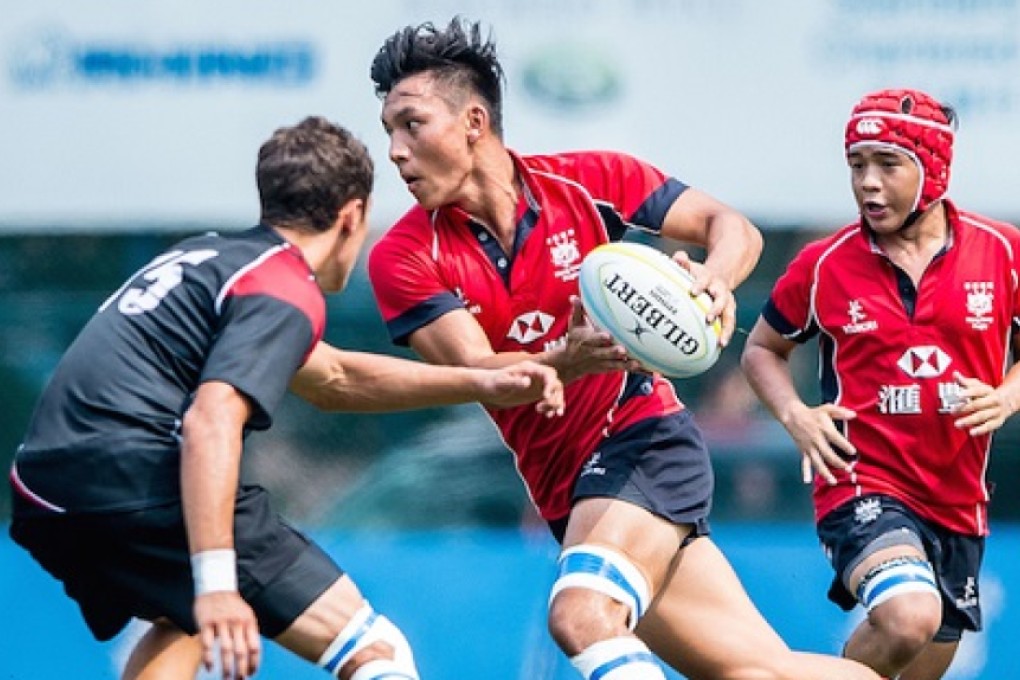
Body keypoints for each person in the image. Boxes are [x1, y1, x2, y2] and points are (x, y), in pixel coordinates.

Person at [367, 17, 883, 680]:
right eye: (388, 131)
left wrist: (714, 278)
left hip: (642, 440)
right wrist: (564, 358)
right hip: (566, 487)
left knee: (581, 615)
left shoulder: (591, 180)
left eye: (412, 125)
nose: (396, 152)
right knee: (760, 671)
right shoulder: (405, 256)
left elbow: (734, 229)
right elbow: (479, 373)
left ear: (473, 121)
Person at [8, 115, 566, 680]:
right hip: (137, 477)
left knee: (182, 620)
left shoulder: (212, 258)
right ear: (353, 216)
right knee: (376, 651)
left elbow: (335, 377)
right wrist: (219, 582)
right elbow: (213, 416)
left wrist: (483, 381)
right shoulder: (282, 286)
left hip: (46, 486)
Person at [741, 88, 1020, 679]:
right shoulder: (823, 264)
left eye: (887, 164)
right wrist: (795, 413)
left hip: (958, 500)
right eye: (856, 164)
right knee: (907, 616)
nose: (868, 182)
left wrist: (1007, 395)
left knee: (915, 659)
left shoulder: (1002, 252)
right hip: (861, 483)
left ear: (933, 168)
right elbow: (763, 349)